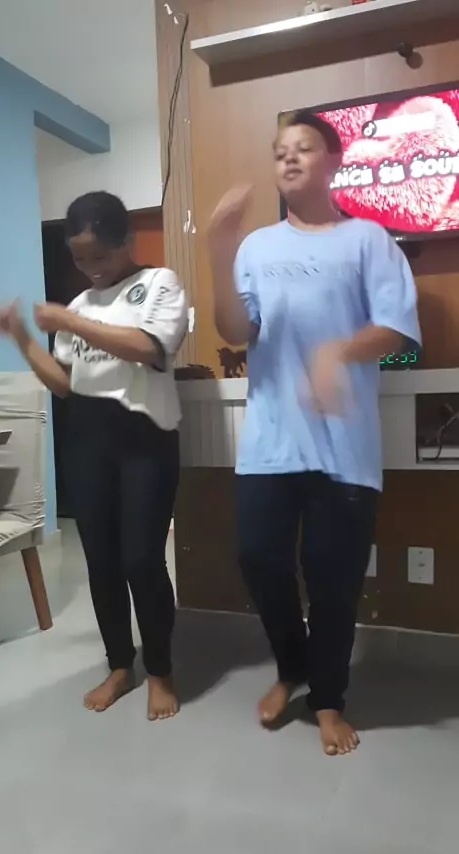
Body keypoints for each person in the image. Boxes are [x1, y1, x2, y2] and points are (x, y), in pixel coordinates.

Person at [208, 111, 421, 756]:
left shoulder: (368, 239)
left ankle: (327, 698)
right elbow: (235, 331)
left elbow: (398, 331)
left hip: (343, 449)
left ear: (332, 162)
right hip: (271, 441)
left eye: (303, 148)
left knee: (332, 580)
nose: (290, 158)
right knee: (257, 558)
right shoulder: (256, 247)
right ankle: (292, 666)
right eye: (280, 151)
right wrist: (219, 249)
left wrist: (339, 352)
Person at [0, 192, 188, 720]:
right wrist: (24, 339)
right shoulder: (79, 305)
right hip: (87, 440)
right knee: (101, 562)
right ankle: (120, 665)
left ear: (127, 241)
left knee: (141, 560)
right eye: (80, 259)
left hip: (145, 440)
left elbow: (149, 349)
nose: (91, 268)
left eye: (100, 255)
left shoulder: (160, 284)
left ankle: (161, 670)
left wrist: (71, 323)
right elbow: (65, 384)